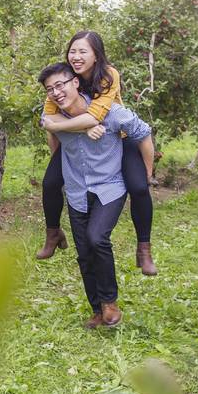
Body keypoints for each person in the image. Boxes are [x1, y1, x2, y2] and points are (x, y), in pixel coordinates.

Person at [38, 62, 153, 328]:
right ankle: (98, 310)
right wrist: (81, 128)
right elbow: (50, 131)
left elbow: (143, 132)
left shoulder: (110, 112)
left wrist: (147, 172)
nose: (56, 92)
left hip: (109, 187)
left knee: (96, 237)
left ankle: (110, 303)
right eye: (50, 89)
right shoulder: (54, 119)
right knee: (84, 253)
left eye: (61, 84)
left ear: (76, 82)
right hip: (77, 188)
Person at [36, 31, 158, 276]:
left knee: (139, 186)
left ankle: (143, 247)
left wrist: (148, 170)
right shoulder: (63, 78)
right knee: (50, 182)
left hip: (116, 138)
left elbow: (96, 117)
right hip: (79, 139)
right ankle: (53, 233)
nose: (76, 56)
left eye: (83, 51)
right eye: (73, 51)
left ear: (96, 55)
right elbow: (48, 116)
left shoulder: (107, 75)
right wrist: (68, 138)